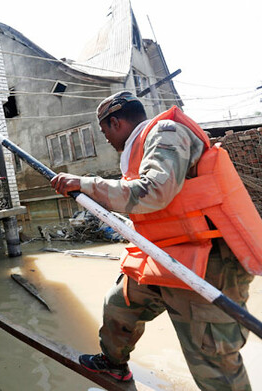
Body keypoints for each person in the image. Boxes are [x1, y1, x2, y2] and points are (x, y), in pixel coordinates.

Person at [50, 91, 262, 390]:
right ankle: (114, 366)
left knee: (212, 359)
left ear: (115, 122)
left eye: (104, 132)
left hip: (209, 261)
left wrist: (84, 184)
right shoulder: (138, 150)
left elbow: (155, 192)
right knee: (119, 306)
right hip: (164, 253)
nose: (107, 140)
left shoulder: (166, 132)